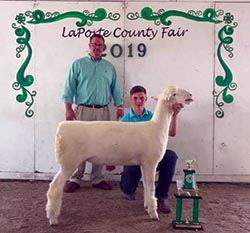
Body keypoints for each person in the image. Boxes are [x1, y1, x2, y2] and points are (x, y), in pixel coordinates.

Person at [62, 34, 124, 193]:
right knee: (78, 143)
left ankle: (98, 178)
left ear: (103, 48)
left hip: (103, 111)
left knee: (101, 144)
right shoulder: (78, 65)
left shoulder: (109, 67)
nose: (97, 48)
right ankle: (75, 178)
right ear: (89, 46)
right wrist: (68, 108)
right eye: (94, 45)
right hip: (82, 110)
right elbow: (69, 87)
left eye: (100, 45)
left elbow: (116, 88)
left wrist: (120, 106)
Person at [119, 85, 183, 213]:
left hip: (151, 156)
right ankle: (129, 188)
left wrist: (174, 115)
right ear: (131, 100)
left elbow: (172, 133)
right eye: (135, 98)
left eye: (141, 98)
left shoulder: (154, 117)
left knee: (170, 156)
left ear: (146, 99)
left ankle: (162, 196)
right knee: (128, 188)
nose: (138, 101)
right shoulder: (124, 121)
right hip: (132, 159)